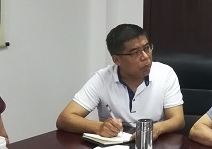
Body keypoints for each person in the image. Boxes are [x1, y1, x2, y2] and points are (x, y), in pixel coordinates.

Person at [56, 24, 184, 139]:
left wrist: (157, 129)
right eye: (135, 53)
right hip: (113, 148)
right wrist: (99, 127)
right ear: (117, 60)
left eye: (146, 48)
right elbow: (64, 119)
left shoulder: (165, 73)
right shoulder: (102, 78)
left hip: (153, 145)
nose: (145, 57)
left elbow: (178, 120)